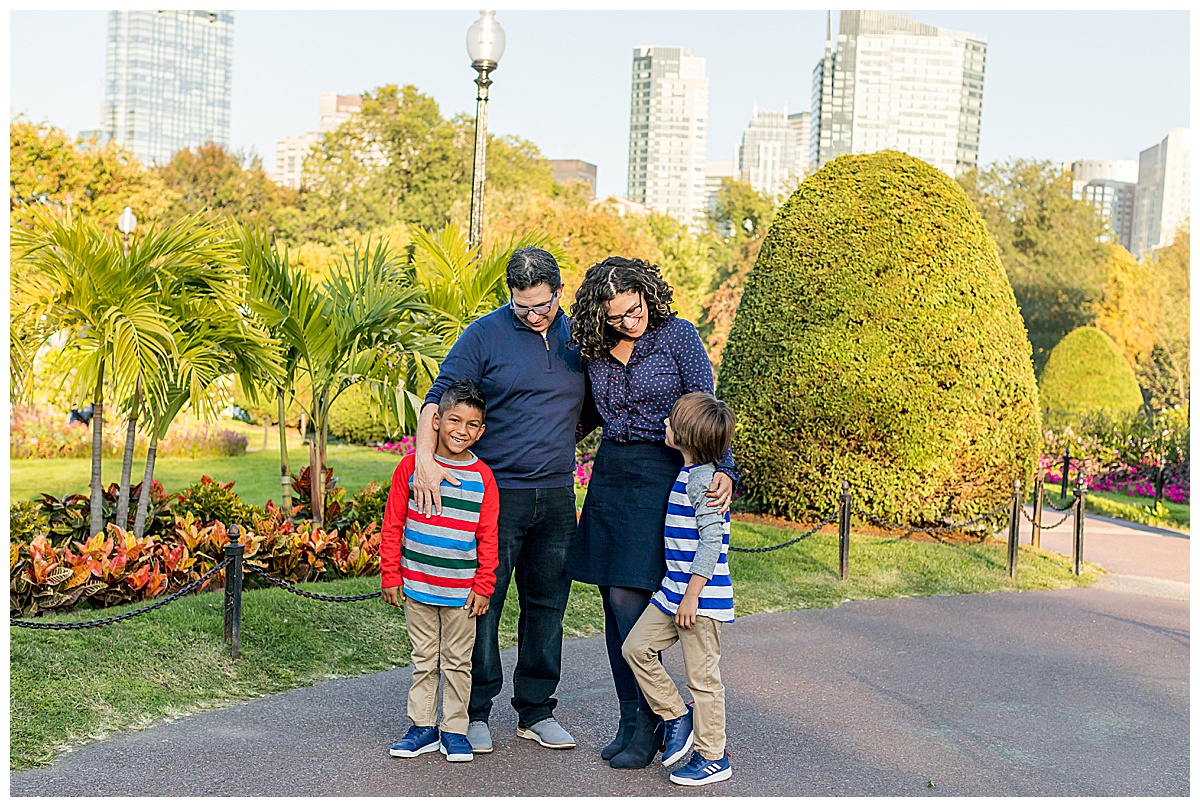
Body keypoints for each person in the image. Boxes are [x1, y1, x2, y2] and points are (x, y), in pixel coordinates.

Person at [411, 247, 589, 754]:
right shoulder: (485, 333)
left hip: (556, 493)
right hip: (495, 494)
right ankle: (475, 711)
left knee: (548, 604)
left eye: (542, 306)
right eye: (522, 307)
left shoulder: (578, 335)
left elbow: (594, 404)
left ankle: (536, 710)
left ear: (559, 290)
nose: (533, 316)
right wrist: (426, 462)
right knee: (483, 604)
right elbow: (438, 395)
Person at [566, 256, 738, 769]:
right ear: (600, 315)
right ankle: (630, 720)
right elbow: (589, 412)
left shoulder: (678, 336)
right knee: (611, 602)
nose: (629, 321)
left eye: (635, 308)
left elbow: (706, 404)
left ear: (647, 294)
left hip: (665, 472)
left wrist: (724, 466)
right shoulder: (593, 350)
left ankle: (658, 721)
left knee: (632, 599)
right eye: (617, 316)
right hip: (612, 473)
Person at [380, 380, 499, 763]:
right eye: (454, 420)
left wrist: (484, 585)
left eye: (471, 424)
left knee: (458, 662)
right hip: (417, 585)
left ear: (482, 430)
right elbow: (392, 524)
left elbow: (488, 536)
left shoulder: (483, 478)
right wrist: (390, 575)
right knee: (424, 659)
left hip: (462, 593)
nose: (461, 431)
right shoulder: (411, 468)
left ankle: (454, 729)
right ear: (436, 420)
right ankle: (422, 727)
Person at [623, 391, 736, 786]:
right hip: (673, 592)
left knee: (703, 679)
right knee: (635, 648)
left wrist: (691, 596)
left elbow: (712, 541)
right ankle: (676, 714)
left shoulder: (704, 480)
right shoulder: (690, 472)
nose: (665, 425)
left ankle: (713, 756)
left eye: (671, 422)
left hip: (698, 599)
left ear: (686, 436)